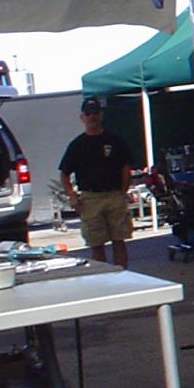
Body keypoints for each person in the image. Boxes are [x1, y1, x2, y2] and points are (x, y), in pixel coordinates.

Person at [59, 97, 134, 268]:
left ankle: (122, 275)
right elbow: (64, 174)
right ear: (82, 117)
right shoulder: (77, 145)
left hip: (114, 195)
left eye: (95, 113)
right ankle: (102, 277)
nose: (92, 116)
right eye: (88, 113)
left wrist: (123, 192)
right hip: (90, 199)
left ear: (101, 115)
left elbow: (125, 167)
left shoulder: (115, 140)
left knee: (119, 240)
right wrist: (72, 196)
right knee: (96, 242)